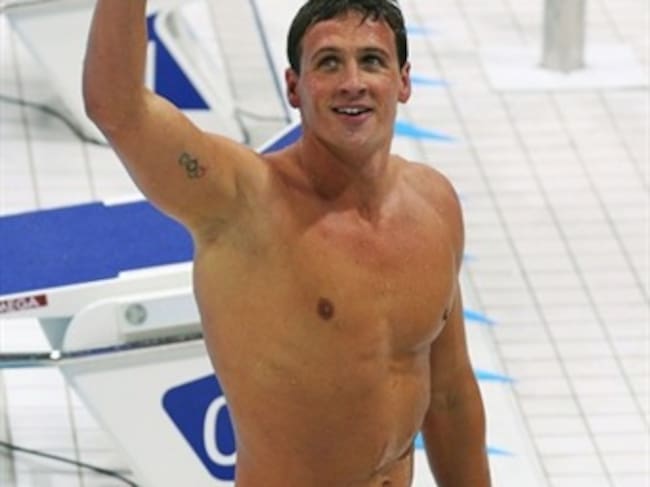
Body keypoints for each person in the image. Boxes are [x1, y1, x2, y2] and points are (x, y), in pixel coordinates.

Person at [83, 0, 491, 485]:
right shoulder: (244, 204)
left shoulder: (434, 205)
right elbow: (118, 109)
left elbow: (449, 395)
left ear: (403, 81)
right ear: (294, 87)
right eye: (329, 63)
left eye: (372, 61)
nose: (352, 82)